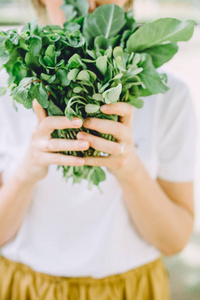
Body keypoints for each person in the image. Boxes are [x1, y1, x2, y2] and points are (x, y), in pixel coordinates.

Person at [0, 0, 197, 299]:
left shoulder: (170, 96)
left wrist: (129, 168)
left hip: (130, 290)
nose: (90, 2)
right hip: (27, 289)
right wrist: (26, 172)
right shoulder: (7, 90)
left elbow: (174, 241)